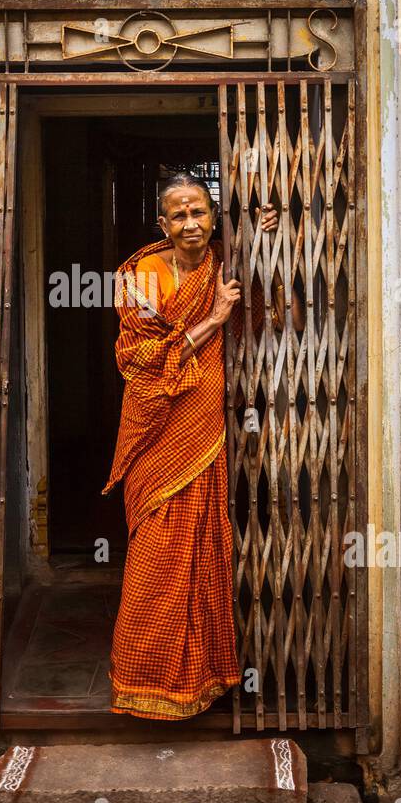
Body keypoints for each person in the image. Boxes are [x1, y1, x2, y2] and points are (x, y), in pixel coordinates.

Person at [101, 171, 303, 720]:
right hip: (156, 433)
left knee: (204, 555)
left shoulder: (224, 261)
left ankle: (200, 680)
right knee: (157, 557)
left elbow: (268, 312)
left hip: (208, 434)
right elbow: (139, 359)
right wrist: (213, 318)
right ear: (162, 224)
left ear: (214, 218)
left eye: (200, 213)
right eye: (179, 215)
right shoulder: (143, 274)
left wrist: (265, 237)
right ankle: (144, 680)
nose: (191, 224)